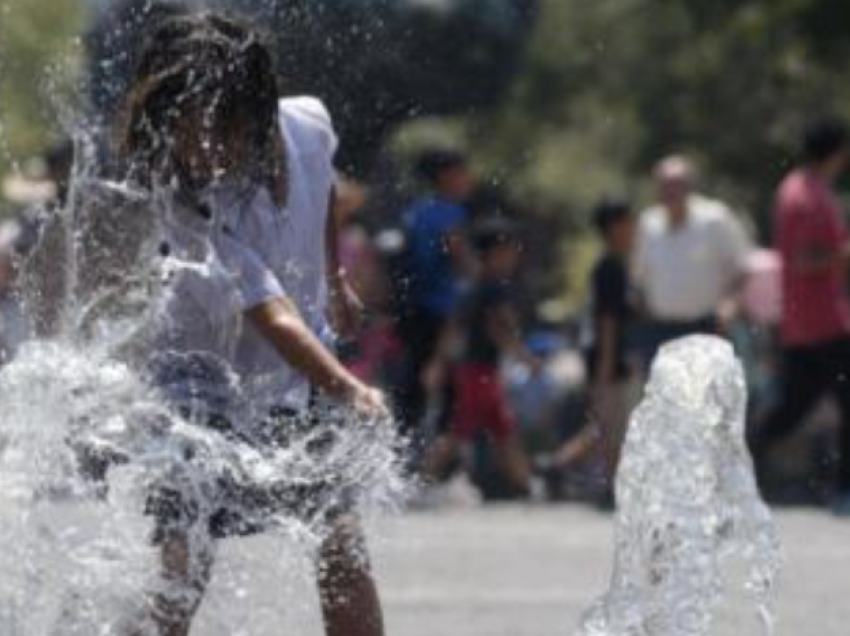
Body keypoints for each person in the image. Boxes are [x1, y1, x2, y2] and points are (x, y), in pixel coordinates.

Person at [114, 13, 389, 635]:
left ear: (255, 110)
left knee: (342, 549)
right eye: (181, 136)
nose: (198, 152)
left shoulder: (309, 122)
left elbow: (322, 197)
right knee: (182, 566)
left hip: (299, 375)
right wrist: (346, 384)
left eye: (213, 132)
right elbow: (267, 309)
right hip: (201, 386)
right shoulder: (188, 203)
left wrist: (332, 274)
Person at [750, 116, 850, 515]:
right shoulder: (806, 195)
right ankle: (844, 489)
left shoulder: (800, 188)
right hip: (822, 321)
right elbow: (805, 260)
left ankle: (728, 470)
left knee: (790, 409)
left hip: (810, 321)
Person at [422, 218, 534, 495]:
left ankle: (527, 485)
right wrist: (524, 357)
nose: (513, 257)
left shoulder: (472, 285)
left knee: (503, 429)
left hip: (477, 369)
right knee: (459, 431)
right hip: (479, 372)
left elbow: (453, 327)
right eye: (509, 250)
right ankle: (420, 483)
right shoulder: (493, 287)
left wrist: (438, 363)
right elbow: (499, 328)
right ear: (495, 253)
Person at [546, 199, 637, 500]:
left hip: (606, 358)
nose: (633, 229)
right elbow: (607, 321)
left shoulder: (613, 264)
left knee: (602, 424)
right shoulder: (609, 267)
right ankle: (612, 485)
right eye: (628, 223)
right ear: (614, 228)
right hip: (606, 358)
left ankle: (554, 467)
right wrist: (606, 366)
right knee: (611, 426)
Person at [634, 155, 751, 364]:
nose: (671, 191)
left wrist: (730, 305)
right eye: (665, 185)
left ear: (689, 187)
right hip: (660, 331)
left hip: (707, 328)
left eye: (677, 185)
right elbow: (640, 279)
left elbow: (741, 269)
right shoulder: (647, 224)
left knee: (706, 395)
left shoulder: (715, 219)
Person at [397, 148, 475, 432]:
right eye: (463, 173)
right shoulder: (449, 212)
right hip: (442, 311)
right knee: (449, 385)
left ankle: (404, 443)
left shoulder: (416, 210)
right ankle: (437, 455)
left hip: (414, 307)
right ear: (446, 176)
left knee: (414, 380)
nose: (469, 180)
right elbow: (461, 259)